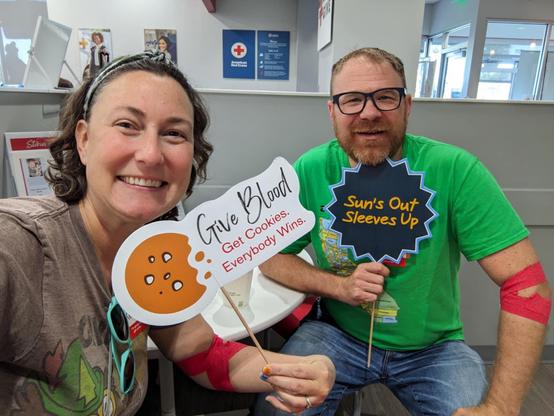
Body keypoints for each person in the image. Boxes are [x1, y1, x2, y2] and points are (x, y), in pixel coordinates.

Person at [0, 52, 335, 415]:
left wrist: (300, 370)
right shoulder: (18, 246)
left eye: (174, 133)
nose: (150, 154)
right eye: (127, 124)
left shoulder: (154, 248)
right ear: (83, 140)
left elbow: (203, 355)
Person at [254, 47, 551, 416]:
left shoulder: (455, 169)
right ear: (332, 111)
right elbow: (269, 256)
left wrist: (502, 408)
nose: (369, 112)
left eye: (385, 97)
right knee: (275, 409)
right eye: (351, 100)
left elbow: (527, 285)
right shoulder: (312, 169)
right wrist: (339, 287)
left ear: (407, 106)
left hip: (434, 349)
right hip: (335, 334)